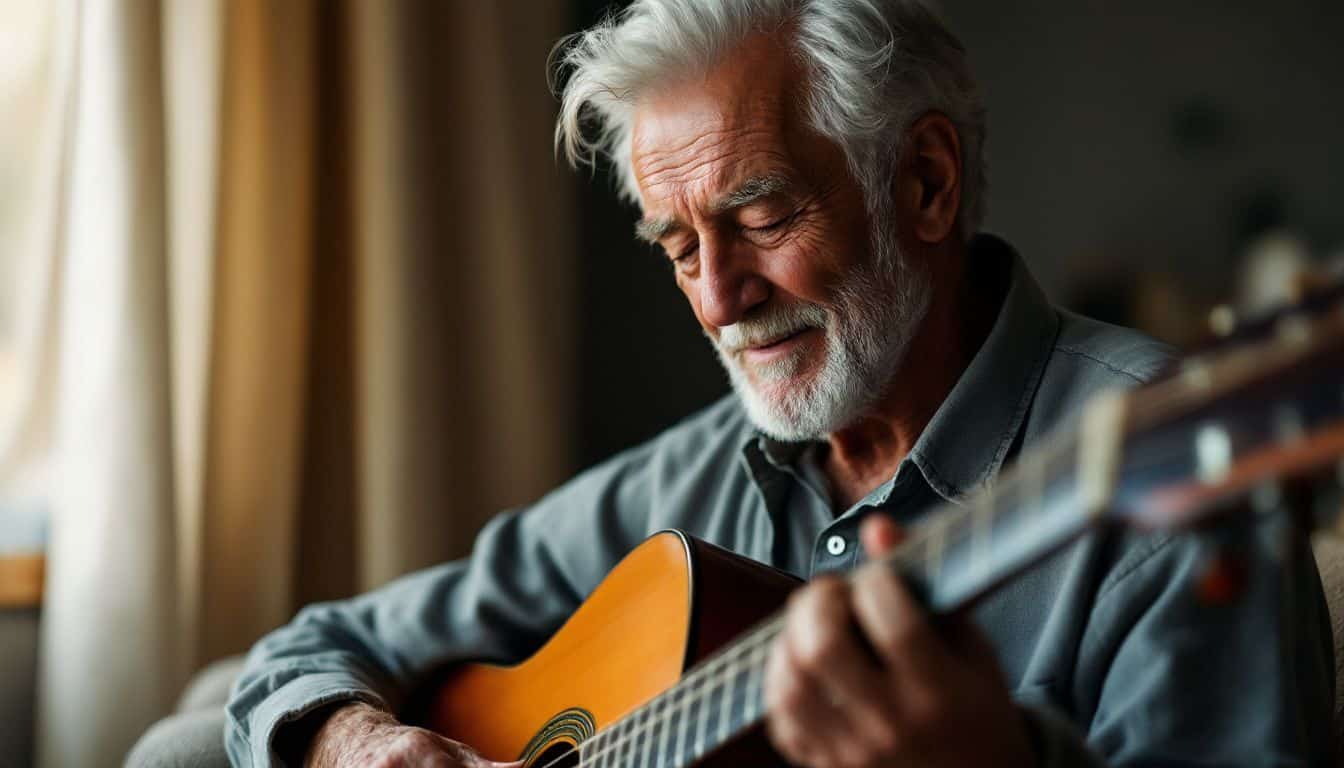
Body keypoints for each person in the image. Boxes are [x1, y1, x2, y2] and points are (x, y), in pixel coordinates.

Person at [132, 1, 1334, 766]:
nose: (717, 298)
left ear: (924, 183)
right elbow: (314, 645)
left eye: (760, 216)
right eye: (675, 246)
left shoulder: (1173, 485)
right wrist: (354, 745)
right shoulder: (687, 480)